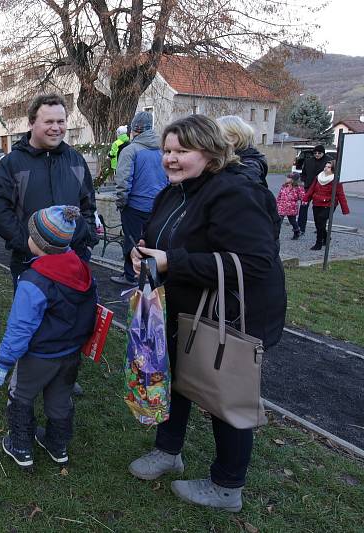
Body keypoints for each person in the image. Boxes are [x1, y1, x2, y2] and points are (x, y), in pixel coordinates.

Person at [127, 115, 285, 512]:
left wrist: (171, 262)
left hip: (229, 317)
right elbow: (159, 236)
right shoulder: (175, 192)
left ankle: (227, 486)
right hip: (181, 309)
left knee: (223, 395)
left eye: (183, 151)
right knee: (175, 378)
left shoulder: (235, 193)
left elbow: (254, 264)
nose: (171, 159)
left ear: (212, 153)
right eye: (166, 150)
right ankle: (168, 451)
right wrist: (143, 251)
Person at [0, 205, 97, 469]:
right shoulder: (81, 269)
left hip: (39, 355)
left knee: (21, 397)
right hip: (70, 353)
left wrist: (4, 361)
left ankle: (21, 446)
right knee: (60, 398)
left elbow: (20, 326)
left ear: (37, 242)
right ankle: (57, 444)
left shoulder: (34, 280)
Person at [0, 92, 98, 287]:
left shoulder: (76, 161)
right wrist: (27, 244)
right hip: (30, 264)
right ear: (32, 123)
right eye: (48, 122)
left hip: (73, 262)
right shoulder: (12, 164)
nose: (56, 128)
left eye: (61, 121)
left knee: (72, 317)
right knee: (30, 318)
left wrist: (85, 242)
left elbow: (88, 206)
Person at [111, 111, 168, 286]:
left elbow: (123, 180)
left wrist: (121, 202)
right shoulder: (162, 150)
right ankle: (149, 278)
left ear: (135, 129)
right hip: (157, 206)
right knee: (151, 243)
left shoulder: (130, 150)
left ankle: (130, 275)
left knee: (132, 241)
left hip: (134, 206)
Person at [303, 160, 350, 250]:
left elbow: (340, 194)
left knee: (321, 220)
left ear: (333, 169)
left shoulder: (336, 180)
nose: (326, 168)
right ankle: (326, 237)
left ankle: (318, 243)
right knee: (318, 223)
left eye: (328, 167)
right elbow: (312, 189)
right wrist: (305, 198)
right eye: (325, 166)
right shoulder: (319, 177)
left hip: (329, 204)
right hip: (317, 202)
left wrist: (345, 209)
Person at [217, 115, 269, 187]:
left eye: (218, 135)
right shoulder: (234, 157)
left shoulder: (250, 165)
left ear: (234, 138)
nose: (215, 140)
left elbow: (244, 187)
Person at [298, 145, 331, 234]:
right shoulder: (308, 161)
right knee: (303, 206)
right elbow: (303, 173)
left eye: (319, 153)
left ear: (323, 153)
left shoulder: (328, 161)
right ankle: (300, 228)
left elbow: (332, 173)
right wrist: (304, 180)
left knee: (319, 210)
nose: (317, 154)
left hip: (321, 188)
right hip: (308, 187)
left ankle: (320, 228)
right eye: (315, 153)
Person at [275, 173, 304, 240]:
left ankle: (296, 231)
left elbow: (302, 196)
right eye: (287, 177)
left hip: (291, 208)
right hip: (282, 206)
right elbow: (279, 195)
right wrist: (277, 203)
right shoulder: (284, 186)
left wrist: (297, 199)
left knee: (292, 221)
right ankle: (276, 235)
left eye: (288, 178)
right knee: (279, 221)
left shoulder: (298, 187)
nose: (286, 179)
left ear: (293, 180)